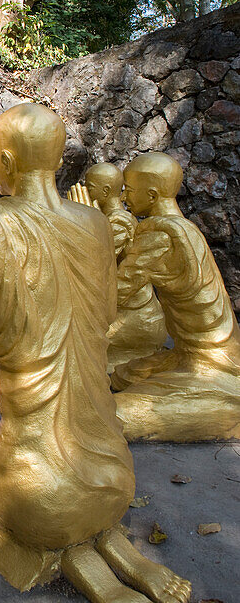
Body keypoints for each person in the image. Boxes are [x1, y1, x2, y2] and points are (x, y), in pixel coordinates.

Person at [0, 105, 190, 603]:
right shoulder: (96, 225)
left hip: (37, 490)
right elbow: (107, 314)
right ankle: (112, 548)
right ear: (58, 158)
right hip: (115, 474)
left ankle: (75, 560)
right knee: (66, 479)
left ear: (3, 160)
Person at [112, 151, 240, 441]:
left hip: (211, 363)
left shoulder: (161, 235)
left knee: (113, 415)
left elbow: (117, 293)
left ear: (153, 194)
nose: (123, 198)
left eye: (129, 191)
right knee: (122, 374)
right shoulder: (184, 226)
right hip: (189, 354)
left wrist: (90, 240)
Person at [84, 162, 167, 371]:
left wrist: (85, 224)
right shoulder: (107, 219)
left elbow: (95, 263)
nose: (85, 191)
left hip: (136, 316)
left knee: (80, 342)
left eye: (90, 186)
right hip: (117, 310)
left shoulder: (119, 222)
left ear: (104, 191)